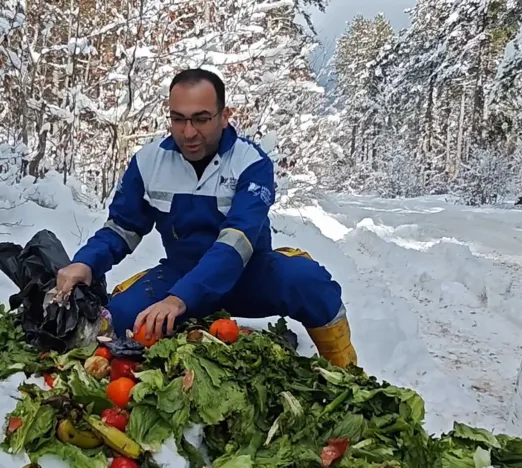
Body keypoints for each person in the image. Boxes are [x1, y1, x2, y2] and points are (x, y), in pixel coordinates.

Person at [54, 68, 357, 367]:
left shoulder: (251, 163)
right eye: (178, 119)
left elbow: (236, 243)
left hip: (248, 274)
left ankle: (346, 373)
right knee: (116, 320)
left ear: (224, 116)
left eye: (201, 119)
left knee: (311, 282)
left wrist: (178, 299)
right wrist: (86, 262)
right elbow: (123, 227)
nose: (188, 132)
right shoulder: (148, 162)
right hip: (180, 274)